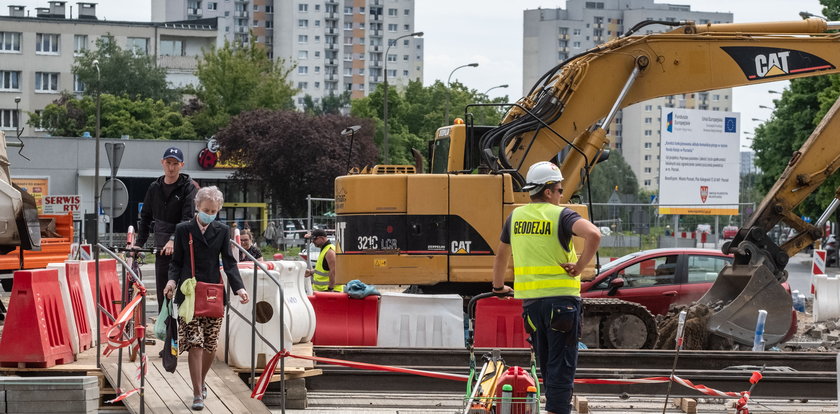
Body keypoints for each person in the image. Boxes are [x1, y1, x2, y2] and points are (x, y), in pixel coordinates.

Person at [491, 161, 601, 414]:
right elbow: (594, 234)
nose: (562, 195)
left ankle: (553, 406)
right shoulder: (561, 215)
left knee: (545, 362)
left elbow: (500, 256)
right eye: (560, 190)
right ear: (549, 191)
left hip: (531, 305)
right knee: (561, 364)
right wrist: (579, 266)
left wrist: (498, 287)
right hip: (562, 303)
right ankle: (557, 410)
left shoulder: (515, 217)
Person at [164, 186, 249, 411]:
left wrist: (239, 288)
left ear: (218, 209)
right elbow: (176, 262)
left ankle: (200, 383)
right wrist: (171, 282)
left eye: (213, 210)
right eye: (206, 209)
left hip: (213, 294)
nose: (209, 214)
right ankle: (197, 393)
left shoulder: (221, 231)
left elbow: (229, 262)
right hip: (189, 294)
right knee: (195, 344)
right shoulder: (183, 230)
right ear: (197, 207)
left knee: (210, 345)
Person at [132, 146, 198, 307]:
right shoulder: (155, 187)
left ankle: (182, 328)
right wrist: (139, 244)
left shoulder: (189, 187)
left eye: (175, 164)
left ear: (181, 165)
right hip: (161, 246)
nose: (171, 167)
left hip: (183, 246)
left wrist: (173, 239)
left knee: (183, 292)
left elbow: (188, 217)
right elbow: (146, 216)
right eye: (168, 163)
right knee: (164, 291)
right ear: (162, 163)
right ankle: (167, 329)